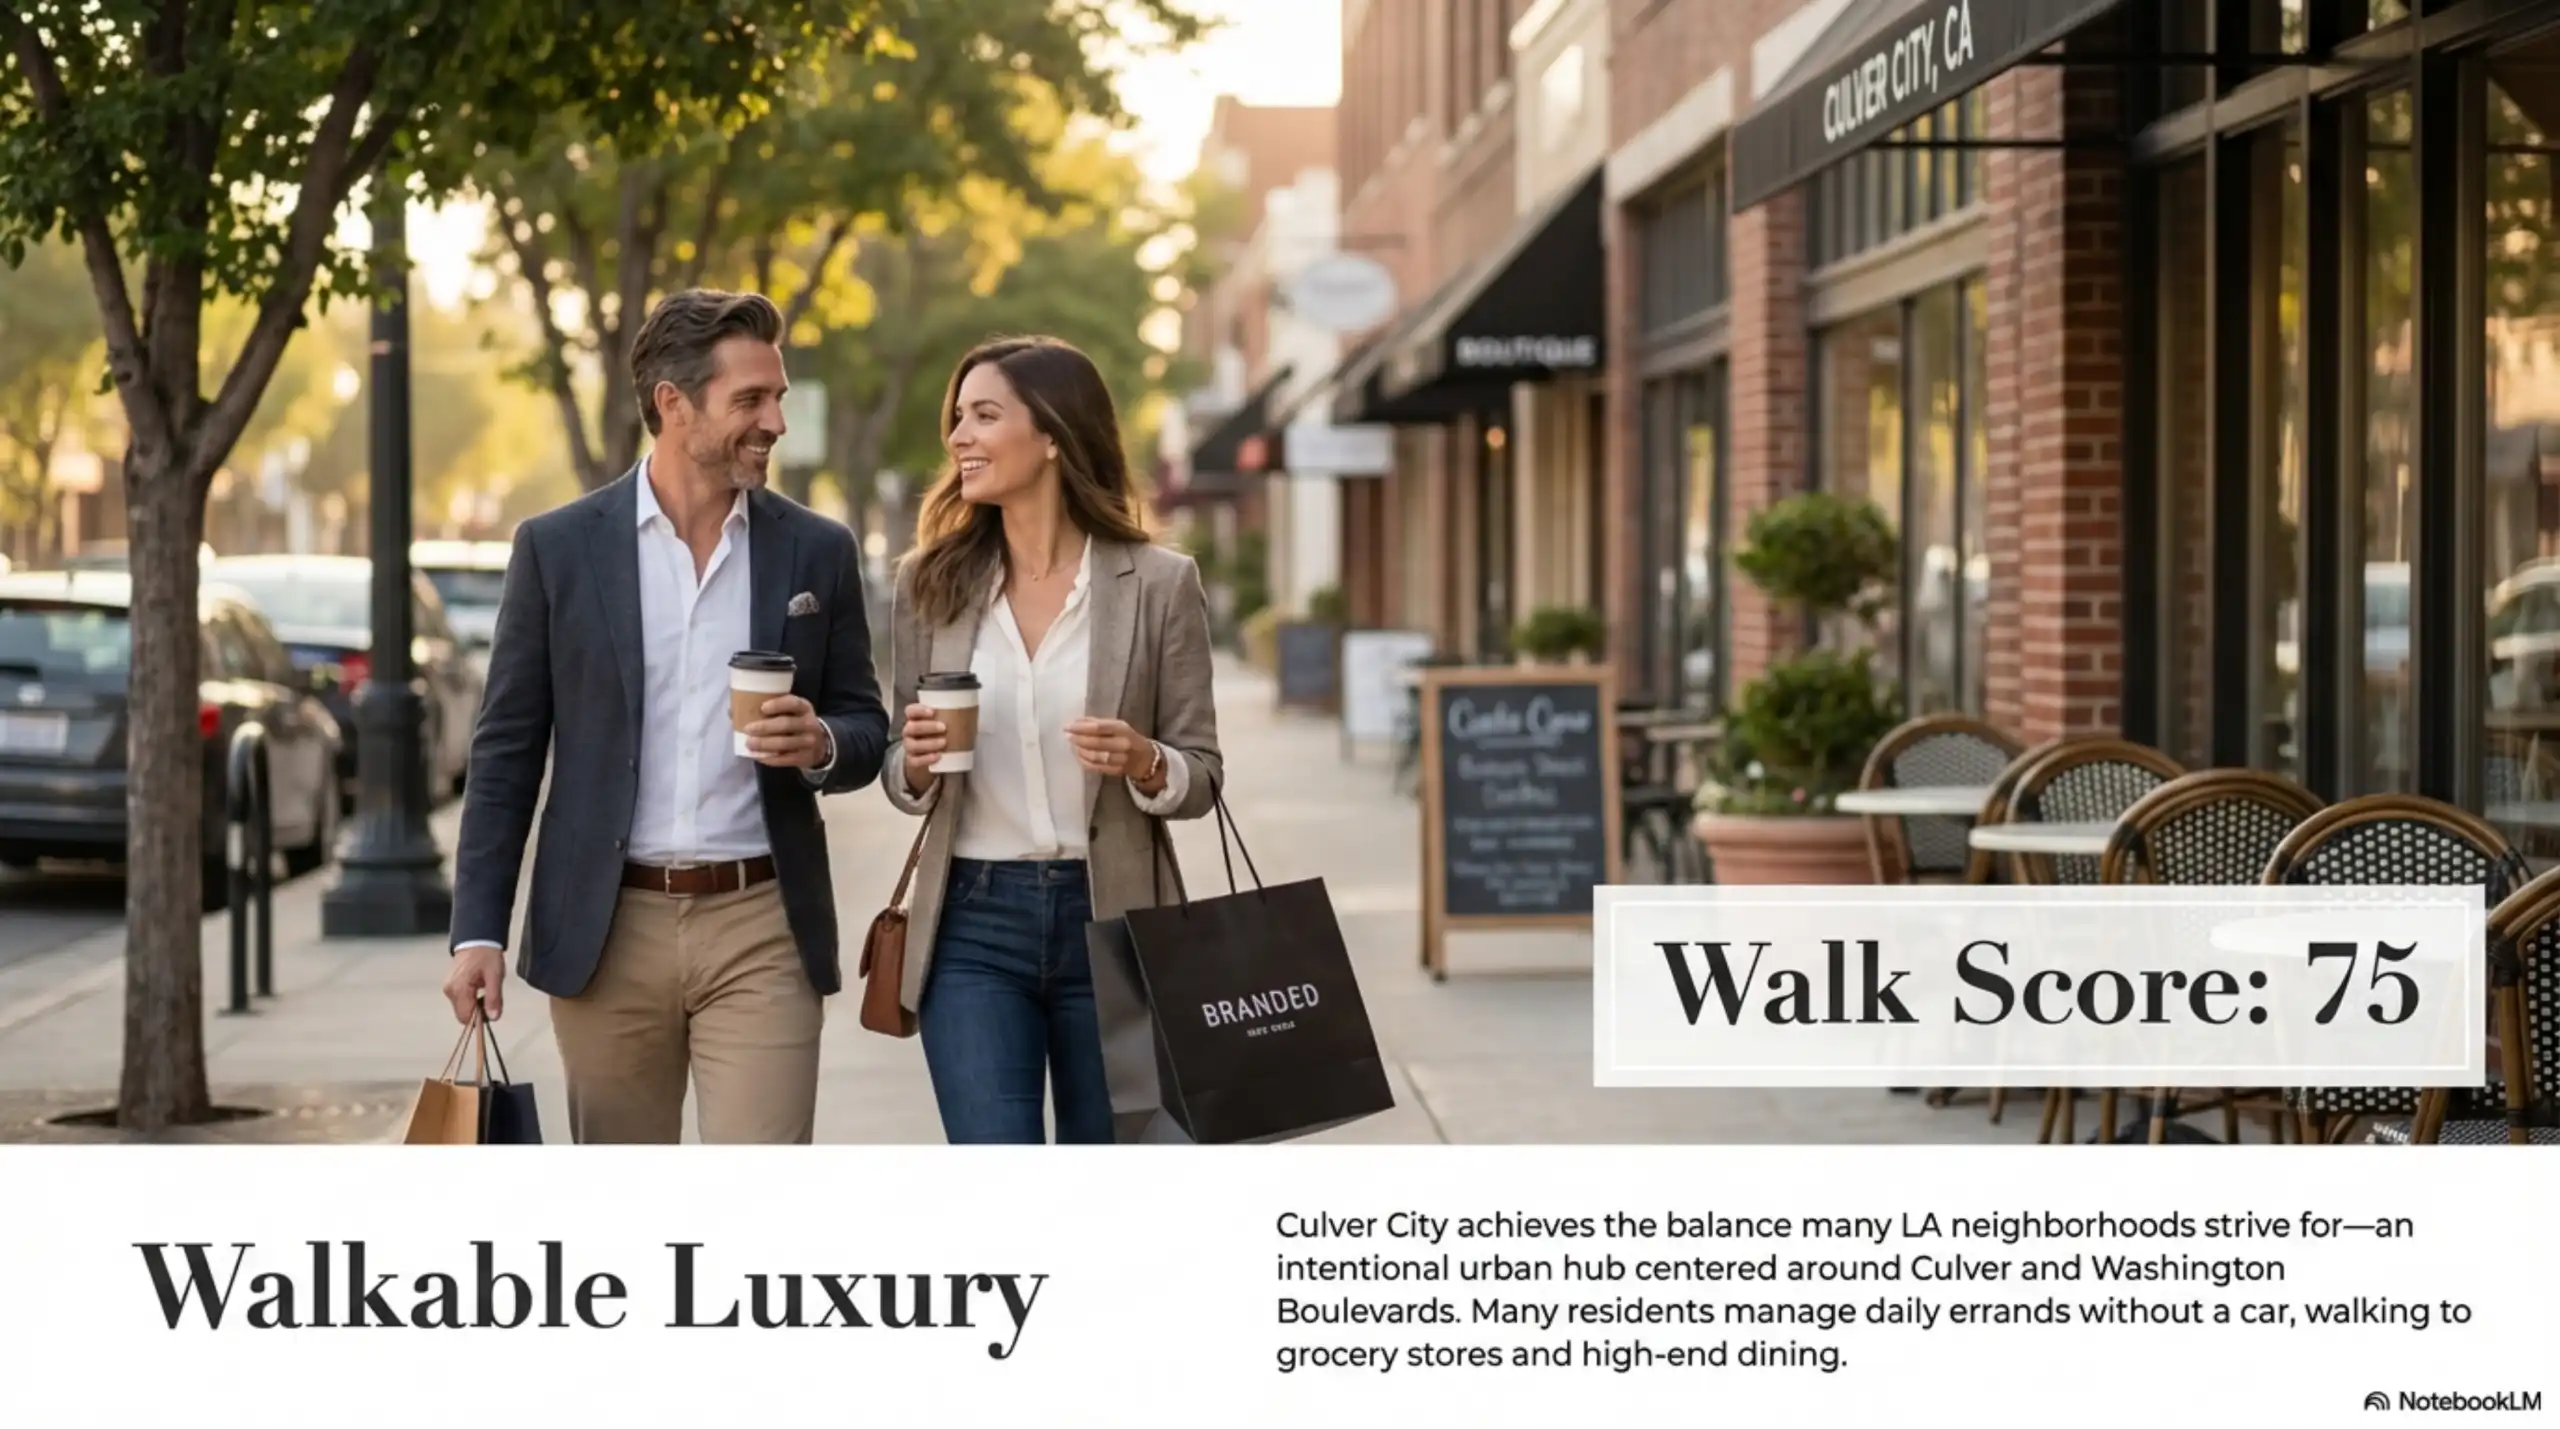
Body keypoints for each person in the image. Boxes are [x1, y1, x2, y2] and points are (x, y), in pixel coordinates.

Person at [444, 288, 890, 1144]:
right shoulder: (559, 547)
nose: (775, 422)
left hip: (762, 919)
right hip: (607, 929)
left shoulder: (816, 550)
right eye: (750, 400)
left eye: (779, 397)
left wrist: (823, 742)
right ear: (672, 403)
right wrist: (477, 932)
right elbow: (505, 750)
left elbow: (866, 725)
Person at [882, 335, 1222, 1144]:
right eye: (957, 417)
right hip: (970, 923)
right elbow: (900, 769)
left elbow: (1202, 774)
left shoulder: (1159, 585)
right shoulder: (928, 584)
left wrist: (1146, 760)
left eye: (985, 415)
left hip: (1113, 918)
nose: (960, 435)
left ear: (1054, 435)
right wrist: (918, 762)